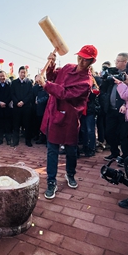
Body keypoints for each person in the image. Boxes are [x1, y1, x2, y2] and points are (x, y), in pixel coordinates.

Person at [37, 45, 96, 199]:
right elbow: (53, 77)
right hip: (53, 112)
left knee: (71, 149)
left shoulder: (86, 81)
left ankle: (70, 174)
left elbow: (65, 94)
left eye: (86, 59)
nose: (82, 61)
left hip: (69, 117)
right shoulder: (68, 67)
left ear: (92, 61)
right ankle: (51, 181)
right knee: (52, 149)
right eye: (80, 57)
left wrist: (45, 85)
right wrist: (51, 64)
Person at [100, 53, 128, 161]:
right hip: (110, 109)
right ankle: (114, 152)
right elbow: (102, 89)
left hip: (123, 110)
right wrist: (105, 78)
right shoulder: (112, 73)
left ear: (125, 62)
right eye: (115, 60)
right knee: (109, 132)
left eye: (118, 61)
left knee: (123, 135)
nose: (116, 63)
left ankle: (125, 155)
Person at [10, 66, 33, 147]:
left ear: (26, 73)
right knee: (16, 125)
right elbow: (12, 94)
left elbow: (30, 94)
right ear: (18, 73)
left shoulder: (29, 82)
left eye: (24, 72)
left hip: (26, 107)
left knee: (27, 125)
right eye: (21, 72)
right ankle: (15, 141)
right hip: (16, 107)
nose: (23, 74)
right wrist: (17, 102)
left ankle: (28, 141)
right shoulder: (14, 82)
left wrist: (23, 102)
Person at [0, 70, 12, 145]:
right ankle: (0, 139)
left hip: (7, 107)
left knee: (7, 124)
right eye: (0, 76)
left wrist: (5, 102)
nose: (2, 77)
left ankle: (8, 140)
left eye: (3, 76)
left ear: (6, 76)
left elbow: (11, 95)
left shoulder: (9, 85)